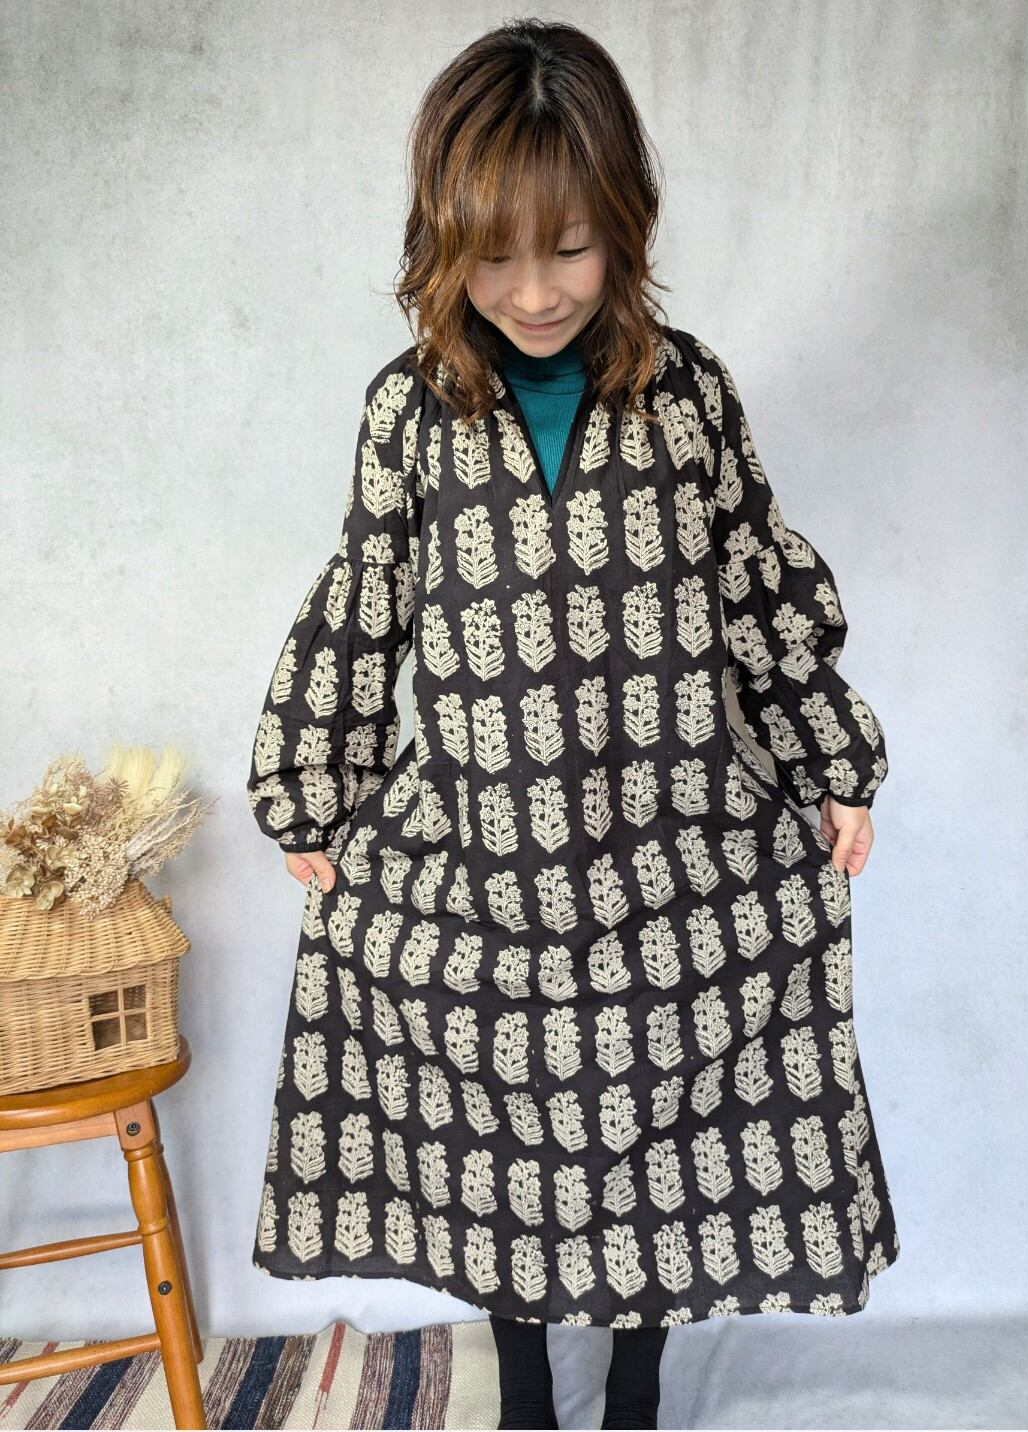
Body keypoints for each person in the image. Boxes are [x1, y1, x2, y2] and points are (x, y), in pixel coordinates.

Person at [245, 18, 899, 1430]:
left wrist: (831, 759)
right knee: (504, 1136)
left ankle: (639, 1389)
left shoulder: (688, 396)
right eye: (494, 254)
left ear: (626, 226)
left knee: (660, 1126)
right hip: (483, 863)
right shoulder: (412, 414)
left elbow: (755, 584)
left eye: (572, 247)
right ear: (442, 242)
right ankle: (531, 1393)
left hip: (671, 851)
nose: (534, 291)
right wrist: (313, 783)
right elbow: (366, 601)